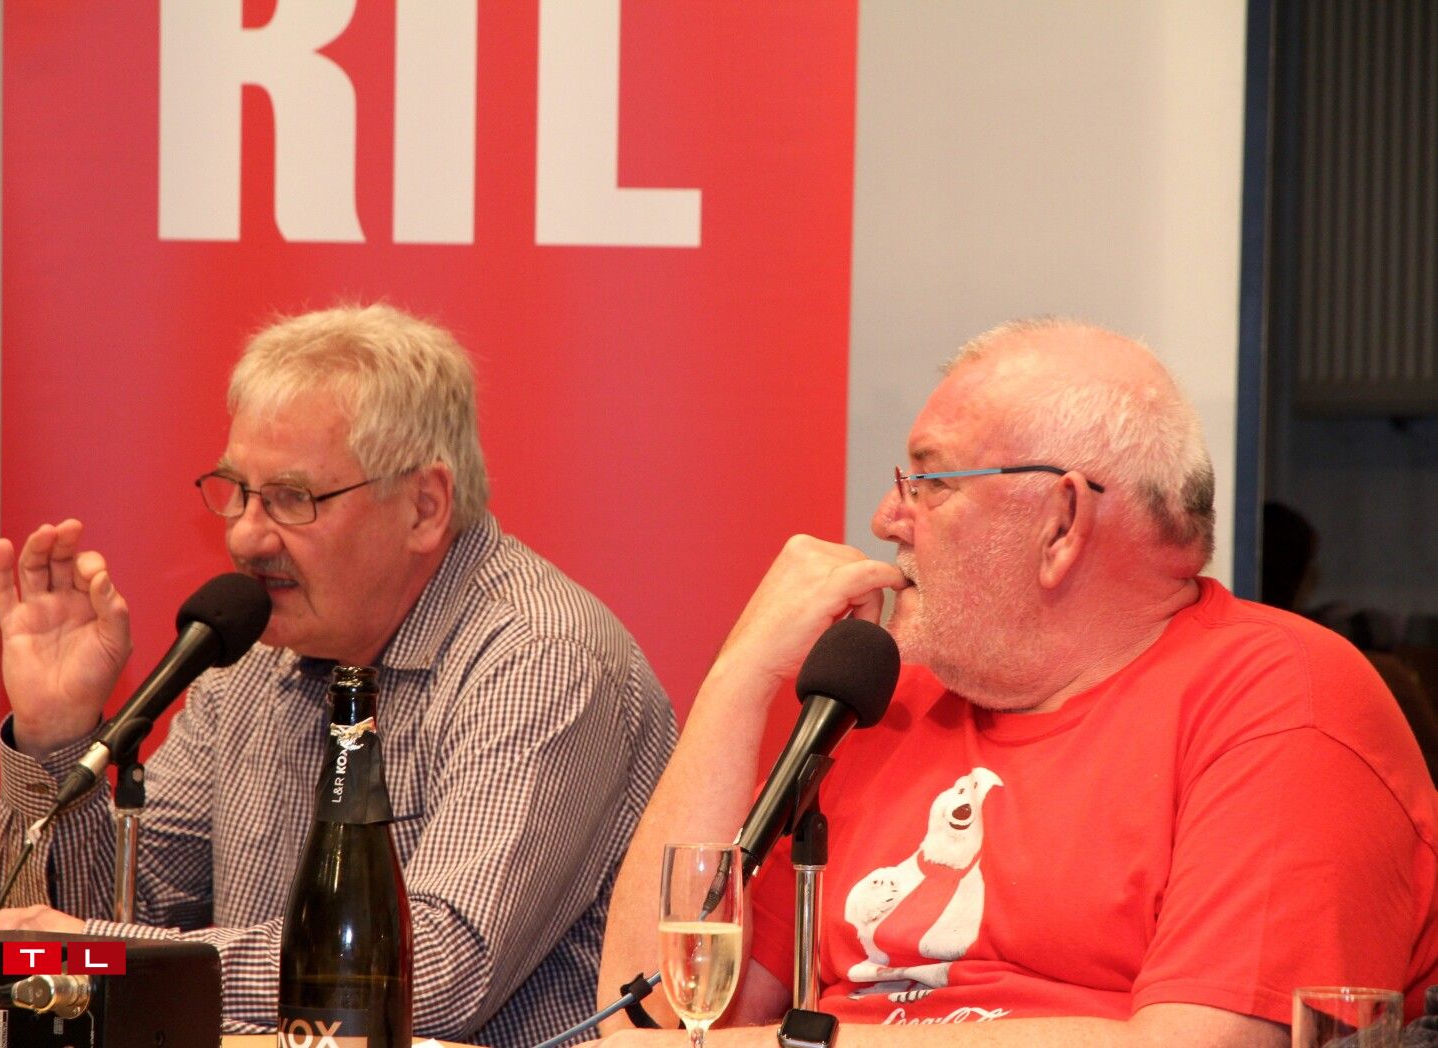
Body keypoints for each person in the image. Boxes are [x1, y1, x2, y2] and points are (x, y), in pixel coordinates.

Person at [595, 318, 1438, 1047]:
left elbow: (1202, 1044)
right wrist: (739, 678)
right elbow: (652, 1018)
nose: (887, 519)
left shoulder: (1282, 700)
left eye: (930, 482)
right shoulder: (881, 703)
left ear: (1061, 522)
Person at [0, 303, 677, 1045]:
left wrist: (103, 952)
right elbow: (101, 925)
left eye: (292, 499)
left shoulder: (540, 657)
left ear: (425, 507)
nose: (246, 536)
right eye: (237, 490)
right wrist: (57, 734)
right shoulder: (253, 657)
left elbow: (427, 976)